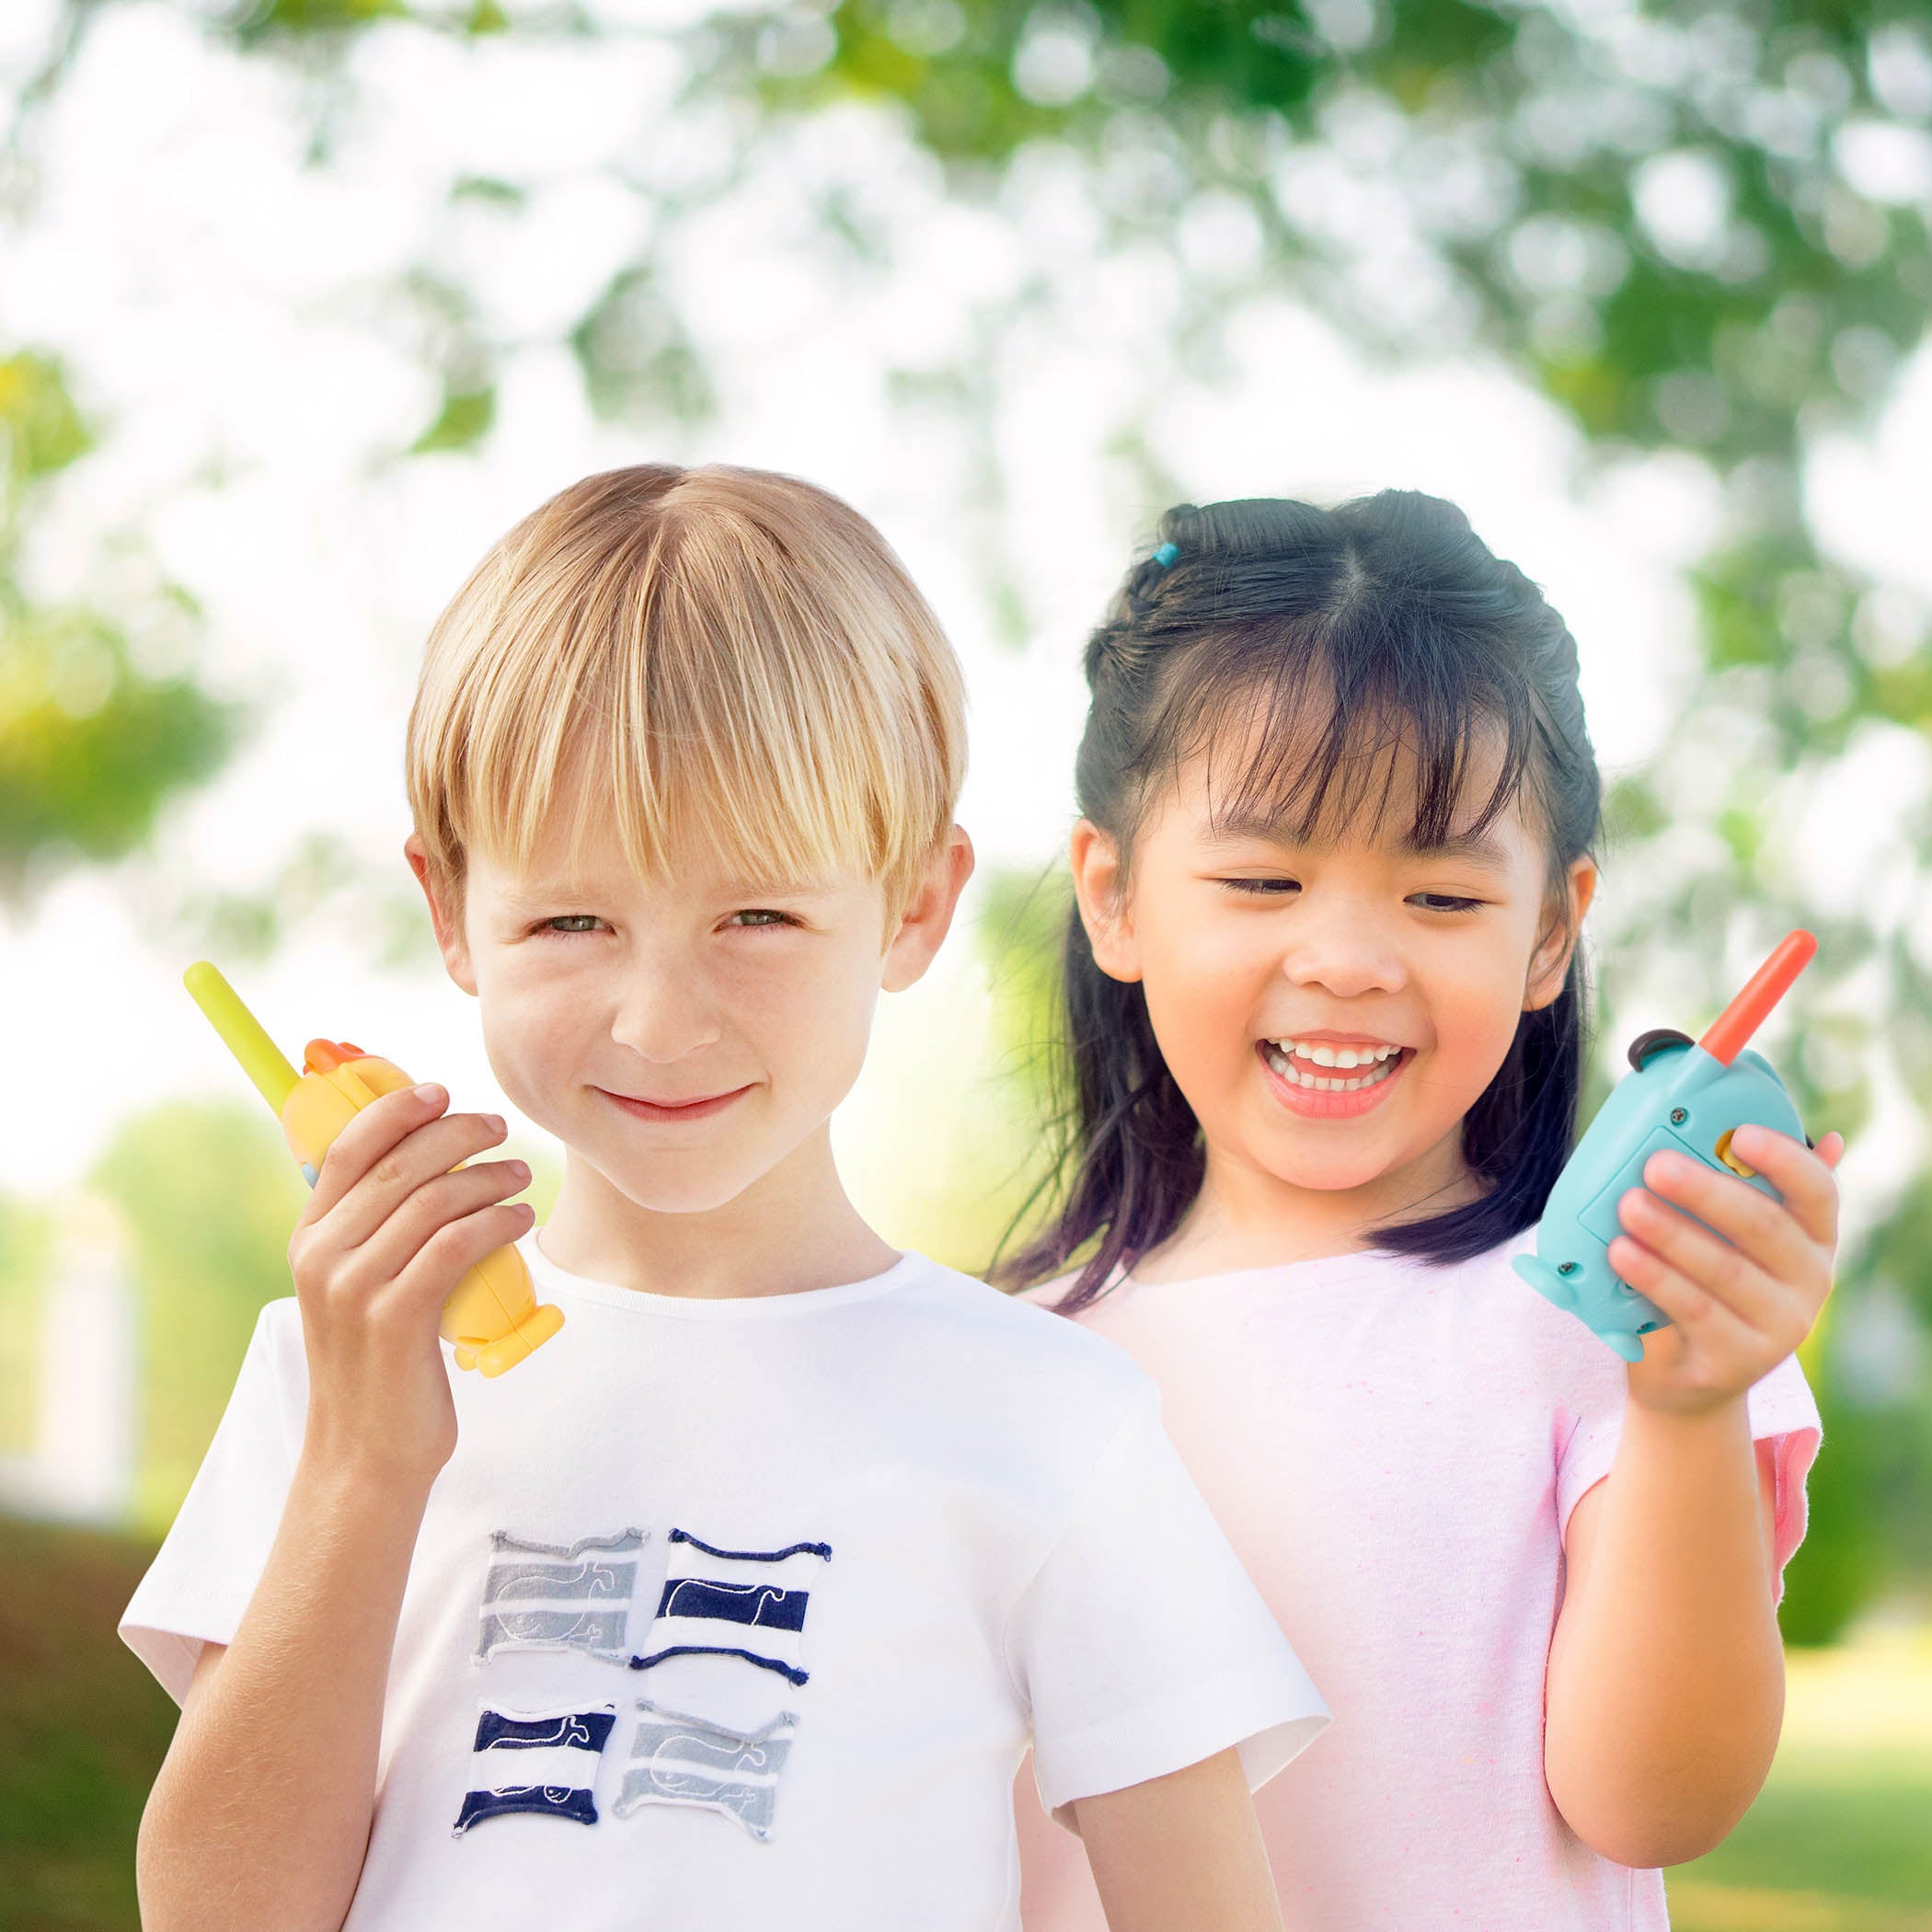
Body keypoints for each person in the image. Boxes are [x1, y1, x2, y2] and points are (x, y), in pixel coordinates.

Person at [120, 464, 1330, 1932]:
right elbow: (216, 1916)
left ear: (913, 907)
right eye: (572, 920)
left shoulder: (1052, 1418)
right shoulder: (335, 1370)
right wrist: (366, 1468)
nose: (657, 1019)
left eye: (757, 916)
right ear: (451, 913)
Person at [1006, 491, 1843, 1930]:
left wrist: (1693, 1412)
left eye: (1441, 897)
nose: (1344, 959)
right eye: (1264, 879)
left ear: (1551, 933)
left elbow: (1654, 1803)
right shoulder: (1005, 1365)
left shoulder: (1622, 1338)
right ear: (1116, 896)